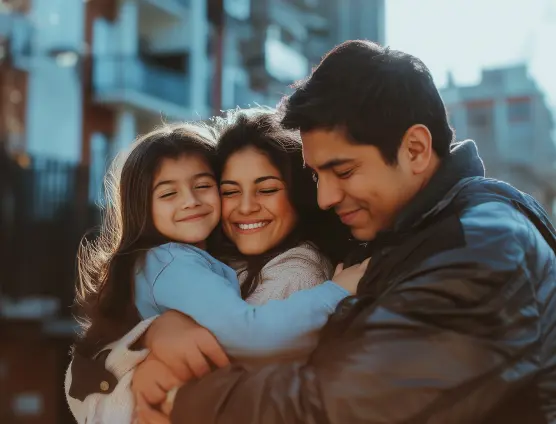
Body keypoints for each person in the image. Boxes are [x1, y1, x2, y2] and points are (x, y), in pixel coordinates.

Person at [138, 41, 556, 424]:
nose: (324, 197)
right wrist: (156, 332)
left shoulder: (482, 246)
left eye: (343, 171)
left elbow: (340, 406)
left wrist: (180, 395)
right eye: (317, 175)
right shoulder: (406, 233)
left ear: (414, 149)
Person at [65, 113, 364, 423]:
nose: (191, 201)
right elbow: (84, 384)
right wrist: (152, 337)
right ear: (141, 207)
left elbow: (246, 357)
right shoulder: (174, 262)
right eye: (231, 190)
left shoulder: (297, 270)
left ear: (297, 194)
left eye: (267, 189)